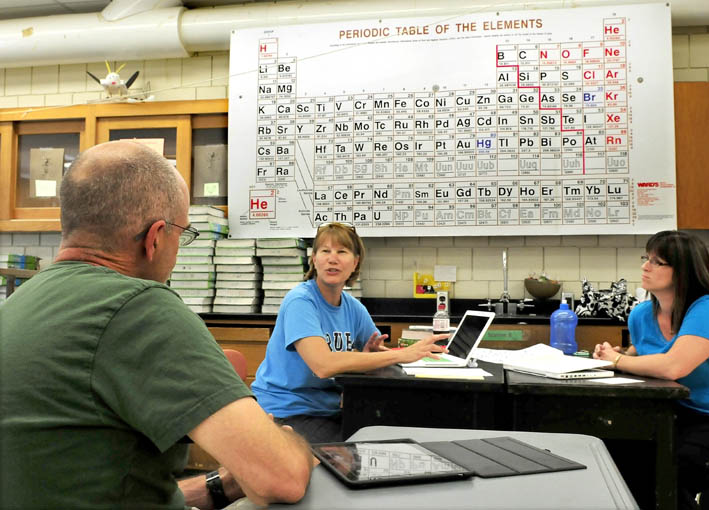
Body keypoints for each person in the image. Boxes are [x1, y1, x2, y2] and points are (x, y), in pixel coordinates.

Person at [0, 141, 314, 510]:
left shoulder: (21, 302)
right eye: (183, 233)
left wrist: (219, 486)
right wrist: (294, 446)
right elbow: (282, 479)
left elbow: (86, 481)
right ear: (155, 237)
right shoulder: (137, 307)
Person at [592, 230, 709, 509]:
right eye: (646, 258)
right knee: (613, 459)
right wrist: (618, 353)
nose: (645, 266)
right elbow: (649, 353)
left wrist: (616, 361)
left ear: (685, 270)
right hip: (675, 419)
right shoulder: (640, 315)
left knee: (664, 475)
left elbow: (673, 366)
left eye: (657, 261)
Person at [251, 222, 448, 443]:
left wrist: (373, 356)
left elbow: (375, 352)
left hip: (325, 411)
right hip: (285, 412)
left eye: (341, 252)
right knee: (357, 453)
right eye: (325, 251)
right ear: (314, 259)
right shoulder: (301, 301)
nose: (332, 259)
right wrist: (400, 354)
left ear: (355, 263)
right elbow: (323, 365)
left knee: (388, 435)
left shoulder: (353, 307)